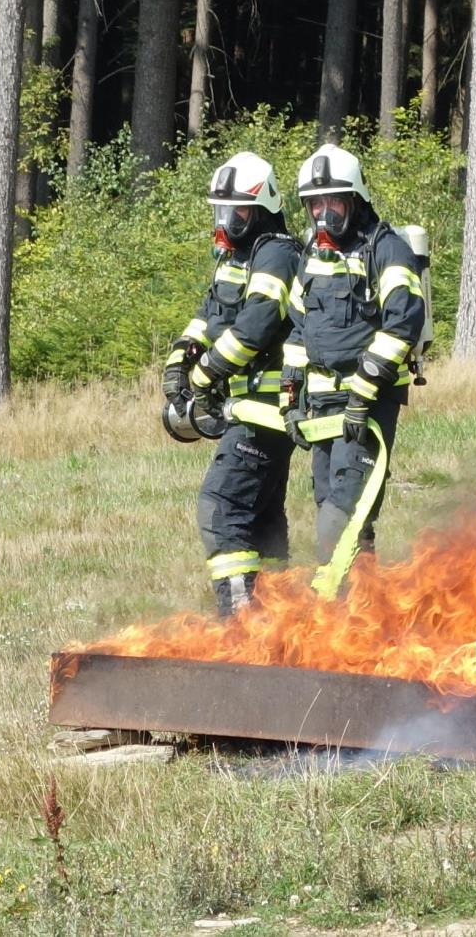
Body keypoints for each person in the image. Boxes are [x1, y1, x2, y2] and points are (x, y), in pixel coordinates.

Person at [161, 152, 302, 617]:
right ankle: (277, 618)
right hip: (245, 407)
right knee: (261, 518)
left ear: (263, 207)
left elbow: (256, 325)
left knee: (221, 506)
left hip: (268, 406)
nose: (227, 221)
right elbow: (210, 316)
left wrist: (205, 375)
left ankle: (240, 622)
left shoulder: (277, 253)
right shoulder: (234, 256)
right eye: (222, 211)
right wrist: (179, 360)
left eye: (238, 211)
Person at [283, 144, 426, 598]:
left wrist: (362, 395)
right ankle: (363, 609)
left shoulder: (386, 249)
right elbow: (298, 328)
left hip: (369, 405)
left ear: (356, 198)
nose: (323, 214)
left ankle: (332, 608)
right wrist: (290, 398)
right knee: (335, 511)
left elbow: (403, 325)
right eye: (314, 204)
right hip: (323, 405)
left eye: (333, 202)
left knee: (340, 517)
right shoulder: (313, 255)